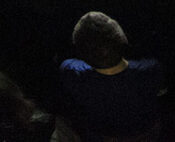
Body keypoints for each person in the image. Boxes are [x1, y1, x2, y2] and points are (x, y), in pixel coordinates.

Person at [58, 11, 163, 140]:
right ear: (120, 39)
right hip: (143, 135)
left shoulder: (71, 71)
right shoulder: (150, 69)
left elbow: (70, 62)